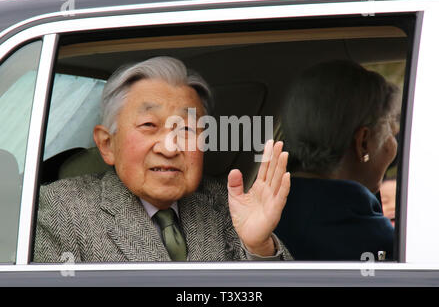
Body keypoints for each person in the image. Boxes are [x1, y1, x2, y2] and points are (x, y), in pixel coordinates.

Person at [33, 56, 293, 263]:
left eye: (187, 130)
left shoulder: (225, 205)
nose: (170, 148)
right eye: (149, 124)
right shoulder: (59, 212)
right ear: (107, 143)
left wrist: (259, 247)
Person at [275, 60, 399, 261]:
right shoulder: (375, 241)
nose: (394, 142)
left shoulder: (265, 211)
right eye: (390, 129)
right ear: (363, 143)